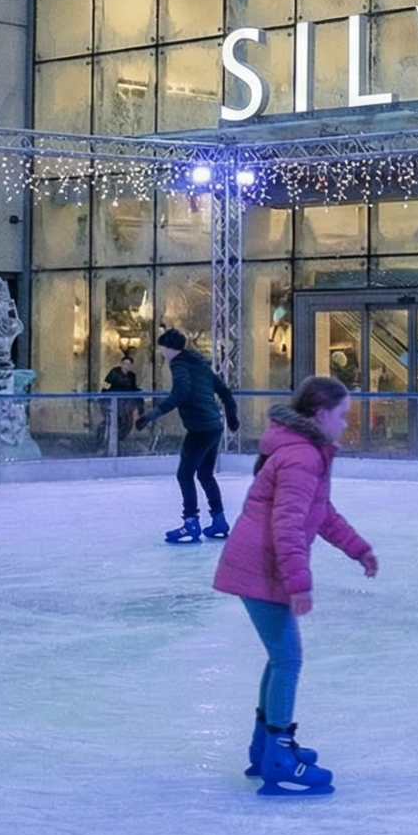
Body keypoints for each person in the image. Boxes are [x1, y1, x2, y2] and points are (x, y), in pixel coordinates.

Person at [211, 375, 377, 796]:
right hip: (260, 567)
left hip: (259, 565)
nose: (345, 424)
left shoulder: (304, 452)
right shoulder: (302, 457)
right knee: (288, 659)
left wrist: (358, 549)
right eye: (342, 416)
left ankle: (265, 748)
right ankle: (279, 757)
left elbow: (319, 514)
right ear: (320, 414)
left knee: (280, 657)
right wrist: (299, 584)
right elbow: (286, 527)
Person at [143, 327, 238, 543]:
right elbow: (224, 391)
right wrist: (231, 417)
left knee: (184, 475)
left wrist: (154, 413)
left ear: (169, 348)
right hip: (214, 426)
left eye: (162, 348)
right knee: (205, 474)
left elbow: (181, 392)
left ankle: (191, 523)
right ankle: (219, 520)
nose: (162, 352)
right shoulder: (200, 365)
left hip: (200, 428)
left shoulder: (179, 365)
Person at [104, 350, 142, 440]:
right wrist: (105, 397)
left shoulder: (132, 376)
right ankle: (112, 438)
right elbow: (106, 385)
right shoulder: (115, 372)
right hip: (115, 399)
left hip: (127, 400)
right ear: (121, 364)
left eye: (129, 364)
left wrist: (139, 393)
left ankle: (120, 438)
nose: (126, 366)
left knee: (127, 421)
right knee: (117, 419)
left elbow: (133, 388)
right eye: (125, 363)